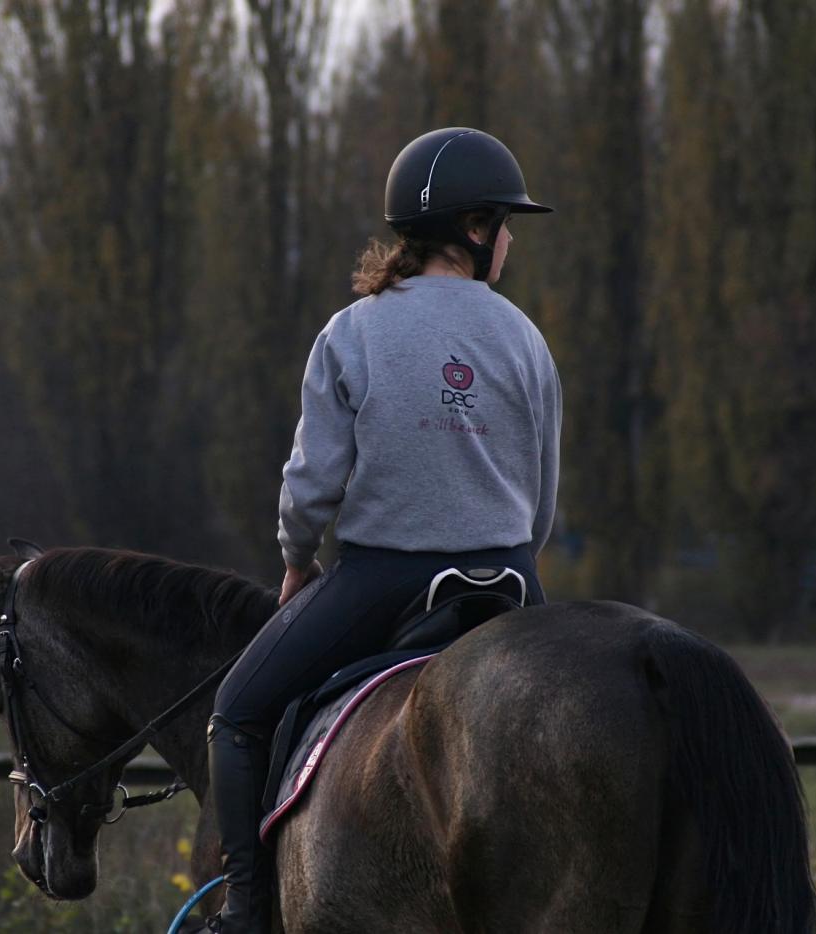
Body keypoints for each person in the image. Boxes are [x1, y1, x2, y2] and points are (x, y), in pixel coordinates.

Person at [204, 127, 562, 933]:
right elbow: (542, 501)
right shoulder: (526, 338)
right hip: (512, 579)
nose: (510, 242)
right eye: (507, 224)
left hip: (385, 581)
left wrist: (297, 559)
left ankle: (247, 913)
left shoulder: (353, 331)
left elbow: (311, 486)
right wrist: (511, 555)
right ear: (475, 228)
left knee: (237, 714)